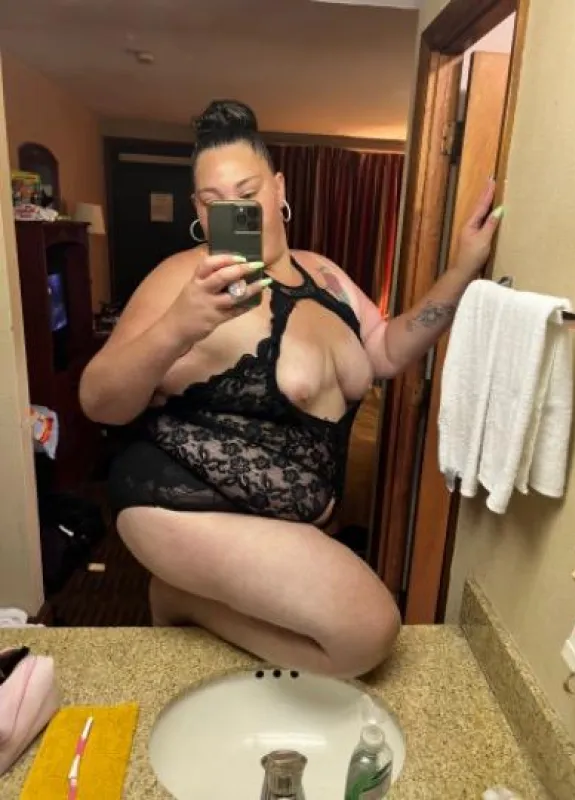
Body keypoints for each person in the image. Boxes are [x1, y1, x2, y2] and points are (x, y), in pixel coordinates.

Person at [80, 100, 502, 678]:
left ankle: (192, 599)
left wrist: (462, 268)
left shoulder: (324, 273)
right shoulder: (182, 277)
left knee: (350, 632)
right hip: (179, 499)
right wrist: (180, 324)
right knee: (367, 632)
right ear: (198, 209)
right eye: (214, 200)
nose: (235, 211)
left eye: (247, 192)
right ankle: (181, 597)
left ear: (279, 188)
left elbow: (385, 350)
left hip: (283, 520)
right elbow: (100, 402)